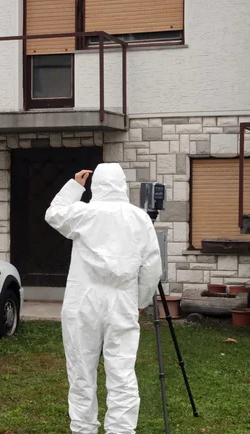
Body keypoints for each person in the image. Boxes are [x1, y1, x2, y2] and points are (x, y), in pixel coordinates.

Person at [45, 163, 162, 434]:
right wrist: (140, 301)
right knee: (121, 371)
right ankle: (121, 430)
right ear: (123, 185)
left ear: (96, 185)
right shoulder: (139, 218)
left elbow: (54, 214)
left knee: (81, 370)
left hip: (82, 299)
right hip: (122, 300)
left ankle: (83, 428)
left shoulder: (84, 213)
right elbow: (152, 267)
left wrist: (75, 186)